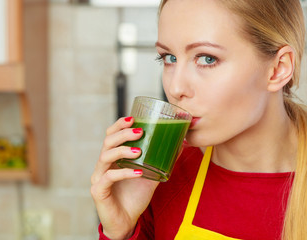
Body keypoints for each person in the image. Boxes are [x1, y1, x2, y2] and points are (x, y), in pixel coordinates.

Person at [90, 0, 307, 239]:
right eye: (169, 58)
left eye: (207, 59)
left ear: (278, 68)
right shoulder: (160, 178)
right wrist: (120, 232)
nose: (175, 88)